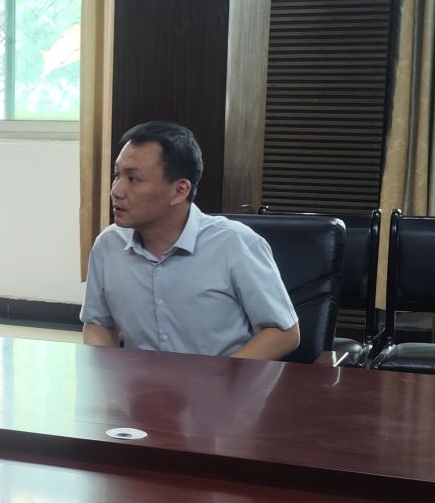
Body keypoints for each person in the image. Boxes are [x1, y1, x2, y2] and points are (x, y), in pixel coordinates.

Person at [81, 120, 300, 359]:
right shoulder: (108, 245)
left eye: (133, 179)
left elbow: (284, 333)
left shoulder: (235, 243)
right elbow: (98, 323)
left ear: (179, 190)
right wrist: (108, 369)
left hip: (222, 380)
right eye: (117, 175)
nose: (116, 190)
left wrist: (220, 376)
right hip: (139, 382)